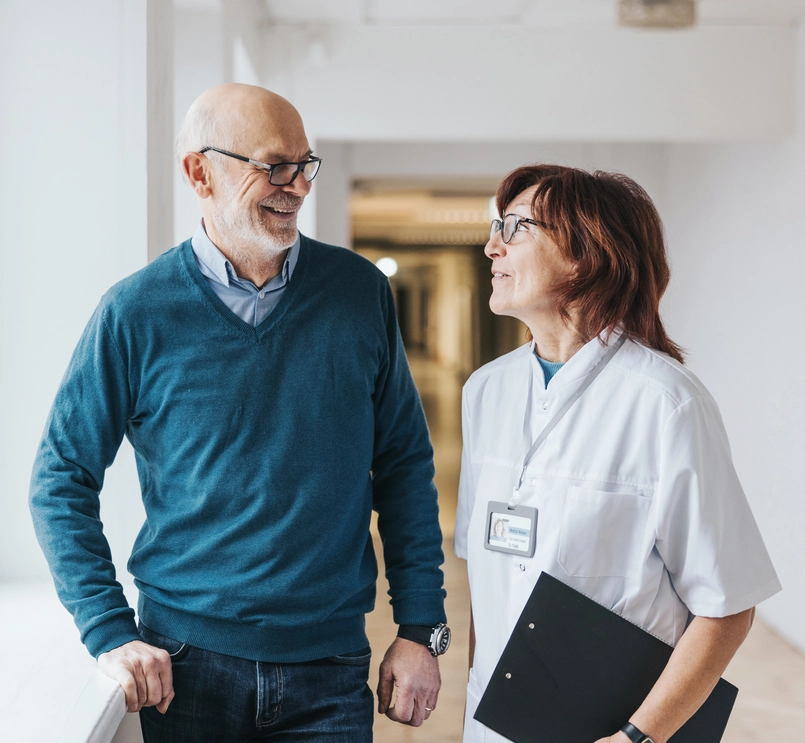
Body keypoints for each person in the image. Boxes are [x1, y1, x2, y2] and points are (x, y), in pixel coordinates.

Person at [29, 83, 449, 743]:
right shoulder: (134, 313)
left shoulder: (358, 292)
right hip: (186, 666)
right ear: (199, 171)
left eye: (304, 164)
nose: (296, 185)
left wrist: (421, 627)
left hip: (330, 666)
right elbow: (60, 479)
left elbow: (401, 464)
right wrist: (107, 629)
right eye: (273, 165)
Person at [455, 164, 781, 743]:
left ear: (585, 254)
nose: (491, 245)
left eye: (516, 226)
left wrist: (638, 737)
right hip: (494, 722)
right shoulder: (486, 390)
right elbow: (490, 580)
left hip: (610, 730)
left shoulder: (666, 403)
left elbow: (727, 605)